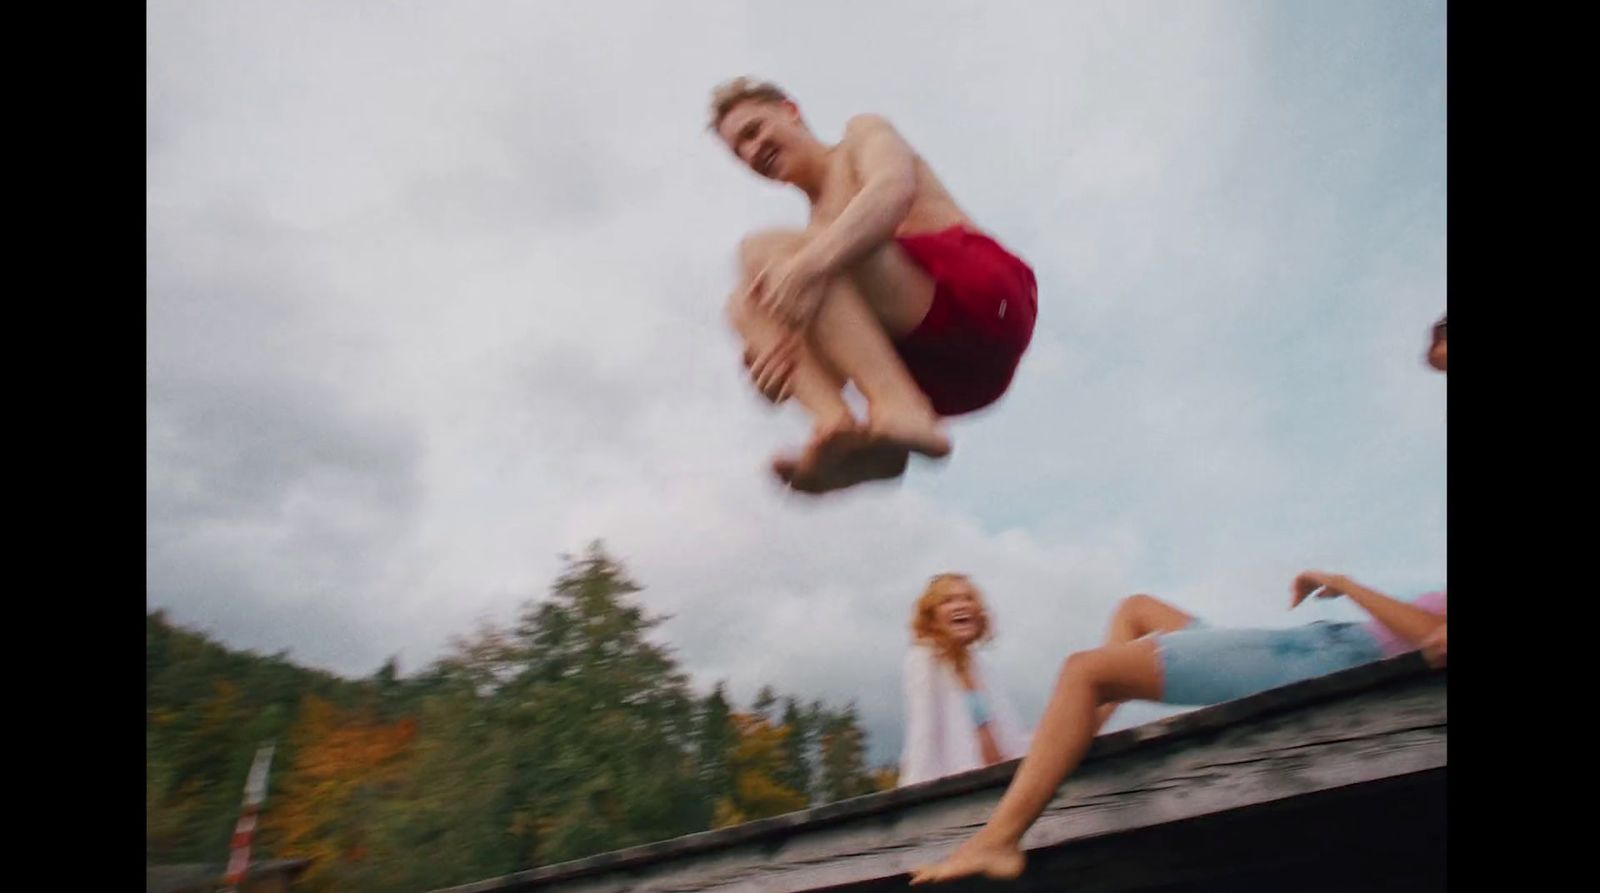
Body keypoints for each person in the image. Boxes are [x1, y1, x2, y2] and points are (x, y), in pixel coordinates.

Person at [908, 317, 1449, 885]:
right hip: (1315, 644)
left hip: (1325, 655)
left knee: (1084, 671)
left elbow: (1431, 637)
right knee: (1136, 609)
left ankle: (998, 839)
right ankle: (1070, 740)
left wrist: (1346, 584)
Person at [710, 78, 1038, 494]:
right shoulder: (809, 250)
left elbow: (892, 190)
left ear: (790, 110)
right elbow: (839, 349)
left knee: (762, 251)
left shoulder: (858, 137)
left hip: (985, 301)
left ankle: (900, 410)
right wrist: (780, 375)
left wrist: (810, 265)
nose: (752, 151)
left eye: (753, 131)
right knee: (744, 305)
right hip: (943, 376)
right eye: (739, 152)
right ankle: (835, 428)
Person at [899, 574, 1030, 786]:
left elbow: (1011, 734)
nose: (961, 605)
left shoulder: (980, 666)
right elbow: (922, 733)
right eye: (948, 600)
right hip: (961, 790)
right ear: (932, 617)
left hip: (1003, 782)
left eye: (967, 598)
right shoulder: (923, 659)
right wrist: (914, 795)